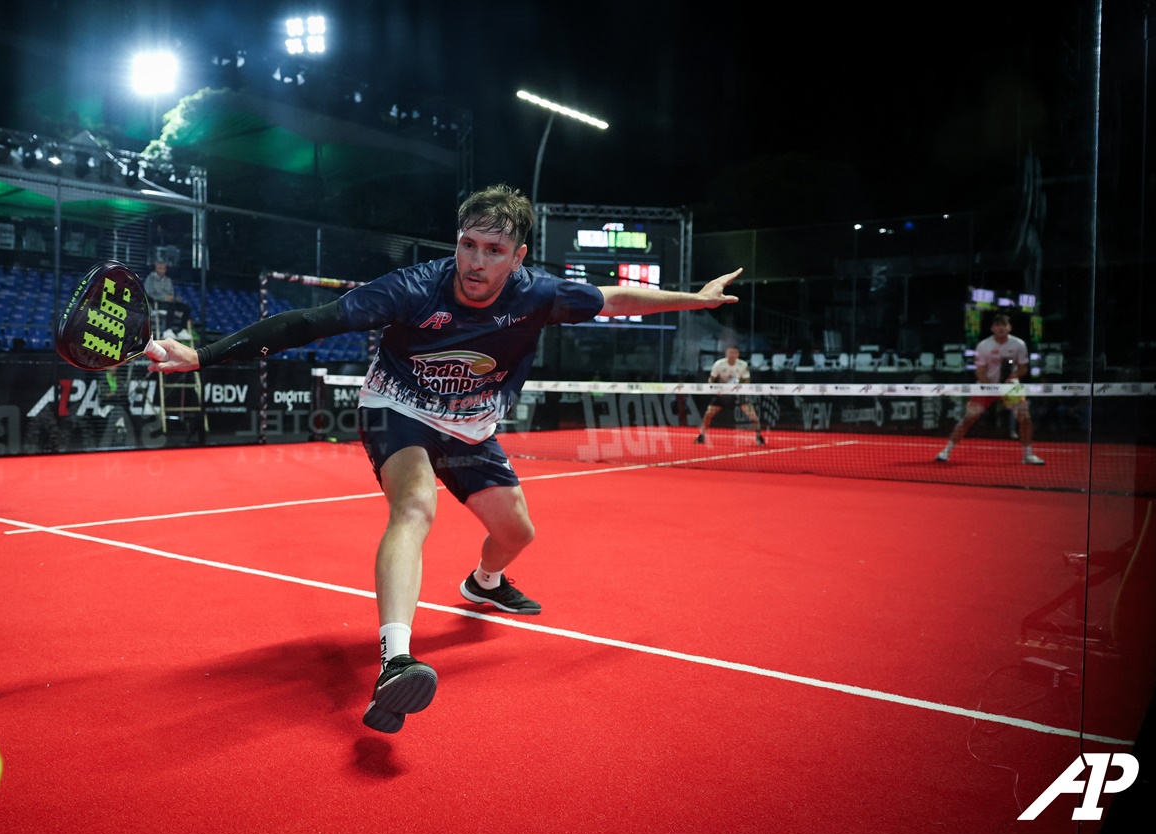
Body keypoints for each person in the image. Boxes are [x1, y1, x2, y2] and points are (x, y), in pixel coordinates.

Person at [144, 185, 742, 733]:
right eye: (468, 244)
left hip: (472, 428)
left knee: (517, 533)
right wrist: (204, 356)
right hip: (396, 407)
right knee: (415, 508)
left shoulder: (538, 294)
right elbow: (311, 322)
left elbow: (613, 297)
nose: (476, 262)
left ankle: (484, 583)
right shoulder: (411, 289)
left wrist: (695, 299)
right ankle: (396, 660)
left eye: (493, 249)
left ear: (518, 256)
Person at [935, 311, 1044, 465]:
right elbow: (980, 371)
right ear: (992, 328)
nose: (1000, 328)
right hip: (986, 385)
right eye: (997, 325)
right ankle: (946, 451)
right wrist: (992, 386)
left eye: (1004, 325)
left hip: (1010, 386)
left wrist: (1010, 378)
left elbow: (1023, 368)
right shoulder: (984, 345)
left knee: (1025, 419)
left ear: (1009, 328)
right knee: (968, 419)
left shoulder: (1019, 344)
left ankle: (1028, 455)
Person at [695, 344, 765, 445]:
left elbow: (746, 381)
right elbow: (711, 380)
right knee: (708, 414)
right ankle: (702, 436)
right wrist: (716, 390)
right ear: (726, 353)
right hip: (721, 395)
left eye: (734, 353)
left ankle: (759, 436)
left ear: (738, 354)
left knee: (753, 416)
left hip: (738, 395)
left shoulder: (743, 365)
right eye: (730, 352)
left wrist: (740, 389)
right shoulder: (719, 364)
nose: (732, 355)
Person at [144, 259, 191, 340]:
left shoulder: (168, 280)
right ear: (156, 269)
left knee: (186, 307)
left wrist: (174, 298)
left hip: (169, 302)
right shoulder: (150, 279)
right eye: (160, 268)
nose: (162, 270)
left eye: (163, 268)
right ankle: (167, 330)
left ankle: (182, 330)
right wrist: (163, 298)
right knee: (171, 306)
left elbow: (171, 293)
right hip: (157, 302)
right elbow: (148, 293)